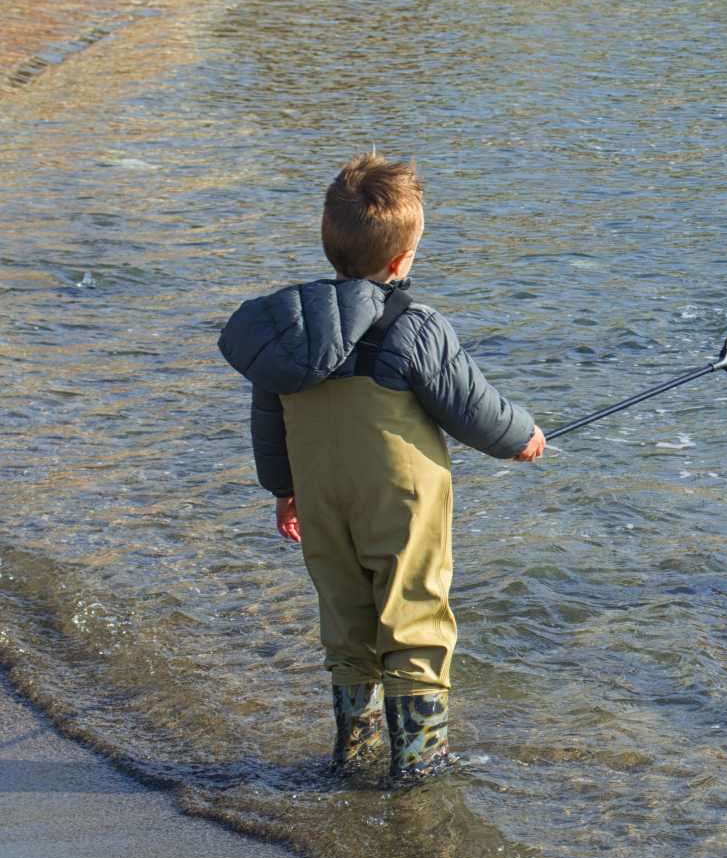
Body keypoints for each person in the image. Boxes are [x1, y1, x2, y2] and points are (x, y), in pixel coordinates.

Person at [218, 154, 545, 780]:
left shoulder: (286, 334)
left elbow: (269, 420)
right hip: (402, 506)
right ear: (402, 260)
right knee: (414, 619)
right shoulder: (415, 327)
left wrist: (285, 492)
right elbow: (475, 411)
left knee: (347, 623)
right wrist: (523, 438)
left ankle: (352, 753)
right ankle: (418, 767)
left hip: (319, 498)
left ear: (331, 244)